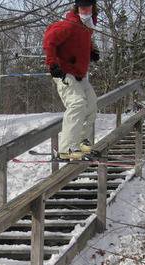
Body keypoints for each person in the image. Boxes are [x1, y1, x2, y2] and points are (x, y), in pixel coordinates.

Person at [43, 0, 100, 160]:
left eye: (88, 7)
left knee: (91, 104)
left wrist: (91, 52)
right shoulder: (70, 24)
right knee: (77, 104)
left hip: (80, 74)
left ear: (93, 8)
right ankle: (66, 148)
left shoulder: (88, 26)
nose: (85, 10)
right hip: (64, 73)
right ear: (77, 8)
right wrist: (52, 64)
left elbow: (80, 44)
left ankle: (82, 141)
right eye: (82, 7)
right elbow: (49, 40)